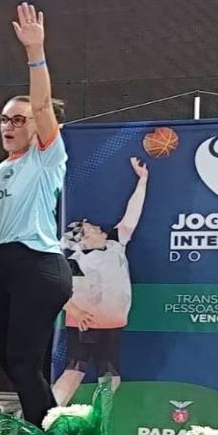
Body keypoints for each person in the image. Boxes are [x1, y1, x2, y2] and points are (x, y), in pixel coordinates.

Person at [0, 3, 73, 435]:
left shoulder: (45, 158)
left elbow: (40, 106)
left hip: (36, 265)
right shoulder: (3, 168)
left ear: (38, 126)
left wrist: (34, 52)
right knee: (22, 365)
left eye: (18, 119)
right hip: (4, 268)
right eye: (4, 119)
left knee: (21, 361)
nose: (9, 125)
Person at [53, 157, 148, 405]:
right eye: (90, 229)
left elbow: (131, 216)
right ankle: (45, 418)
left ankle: (101, 420)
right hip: (84, 324)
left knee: (110, 373)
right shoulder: (73, 260)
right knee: (75, 370)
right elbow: (56, 289)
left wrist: (143, 181)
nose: (97, 227)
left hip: (113, 322)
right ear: (82, 241)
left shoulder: (116, 243)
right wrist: (75, 311)